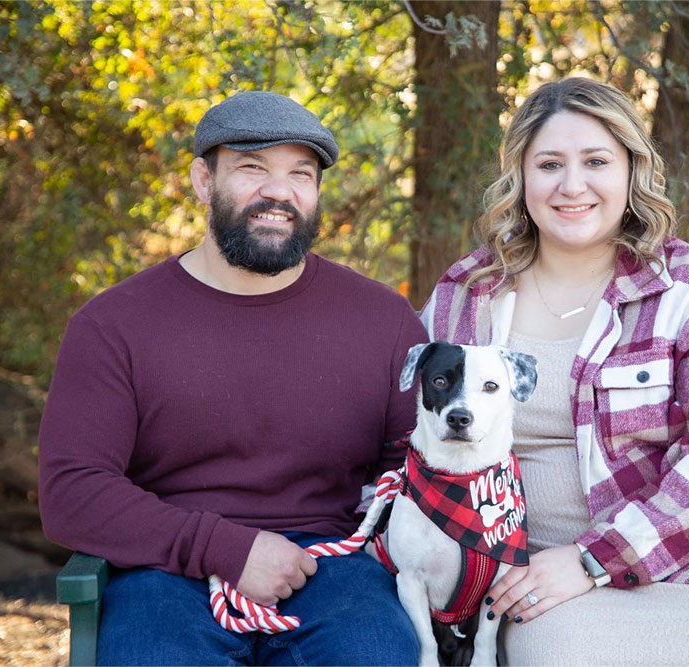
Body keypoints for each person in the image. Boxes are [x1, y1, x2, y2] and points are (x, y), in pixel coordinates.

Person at [419, 78, 689, 665]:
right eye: (549, 164)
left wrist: (594, 559)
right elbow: (411, 435)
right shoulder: (468, 294)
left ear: (631, 169)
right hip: (532, 574)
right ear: (520, 177)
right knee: (563, 656)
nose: (571, 185)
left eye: (596, 161)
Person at [38, 91, 426, 665]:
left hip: (335, 568)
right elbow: (72, 491)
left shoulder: (382, 320)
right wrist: (225, 548)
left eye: (301, 173)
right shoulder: (113, 325)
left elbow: (416, 463)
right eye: (252, 168)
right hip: (165, 571)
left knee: (374, 650)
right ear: (203, 180)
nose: (279, 191)